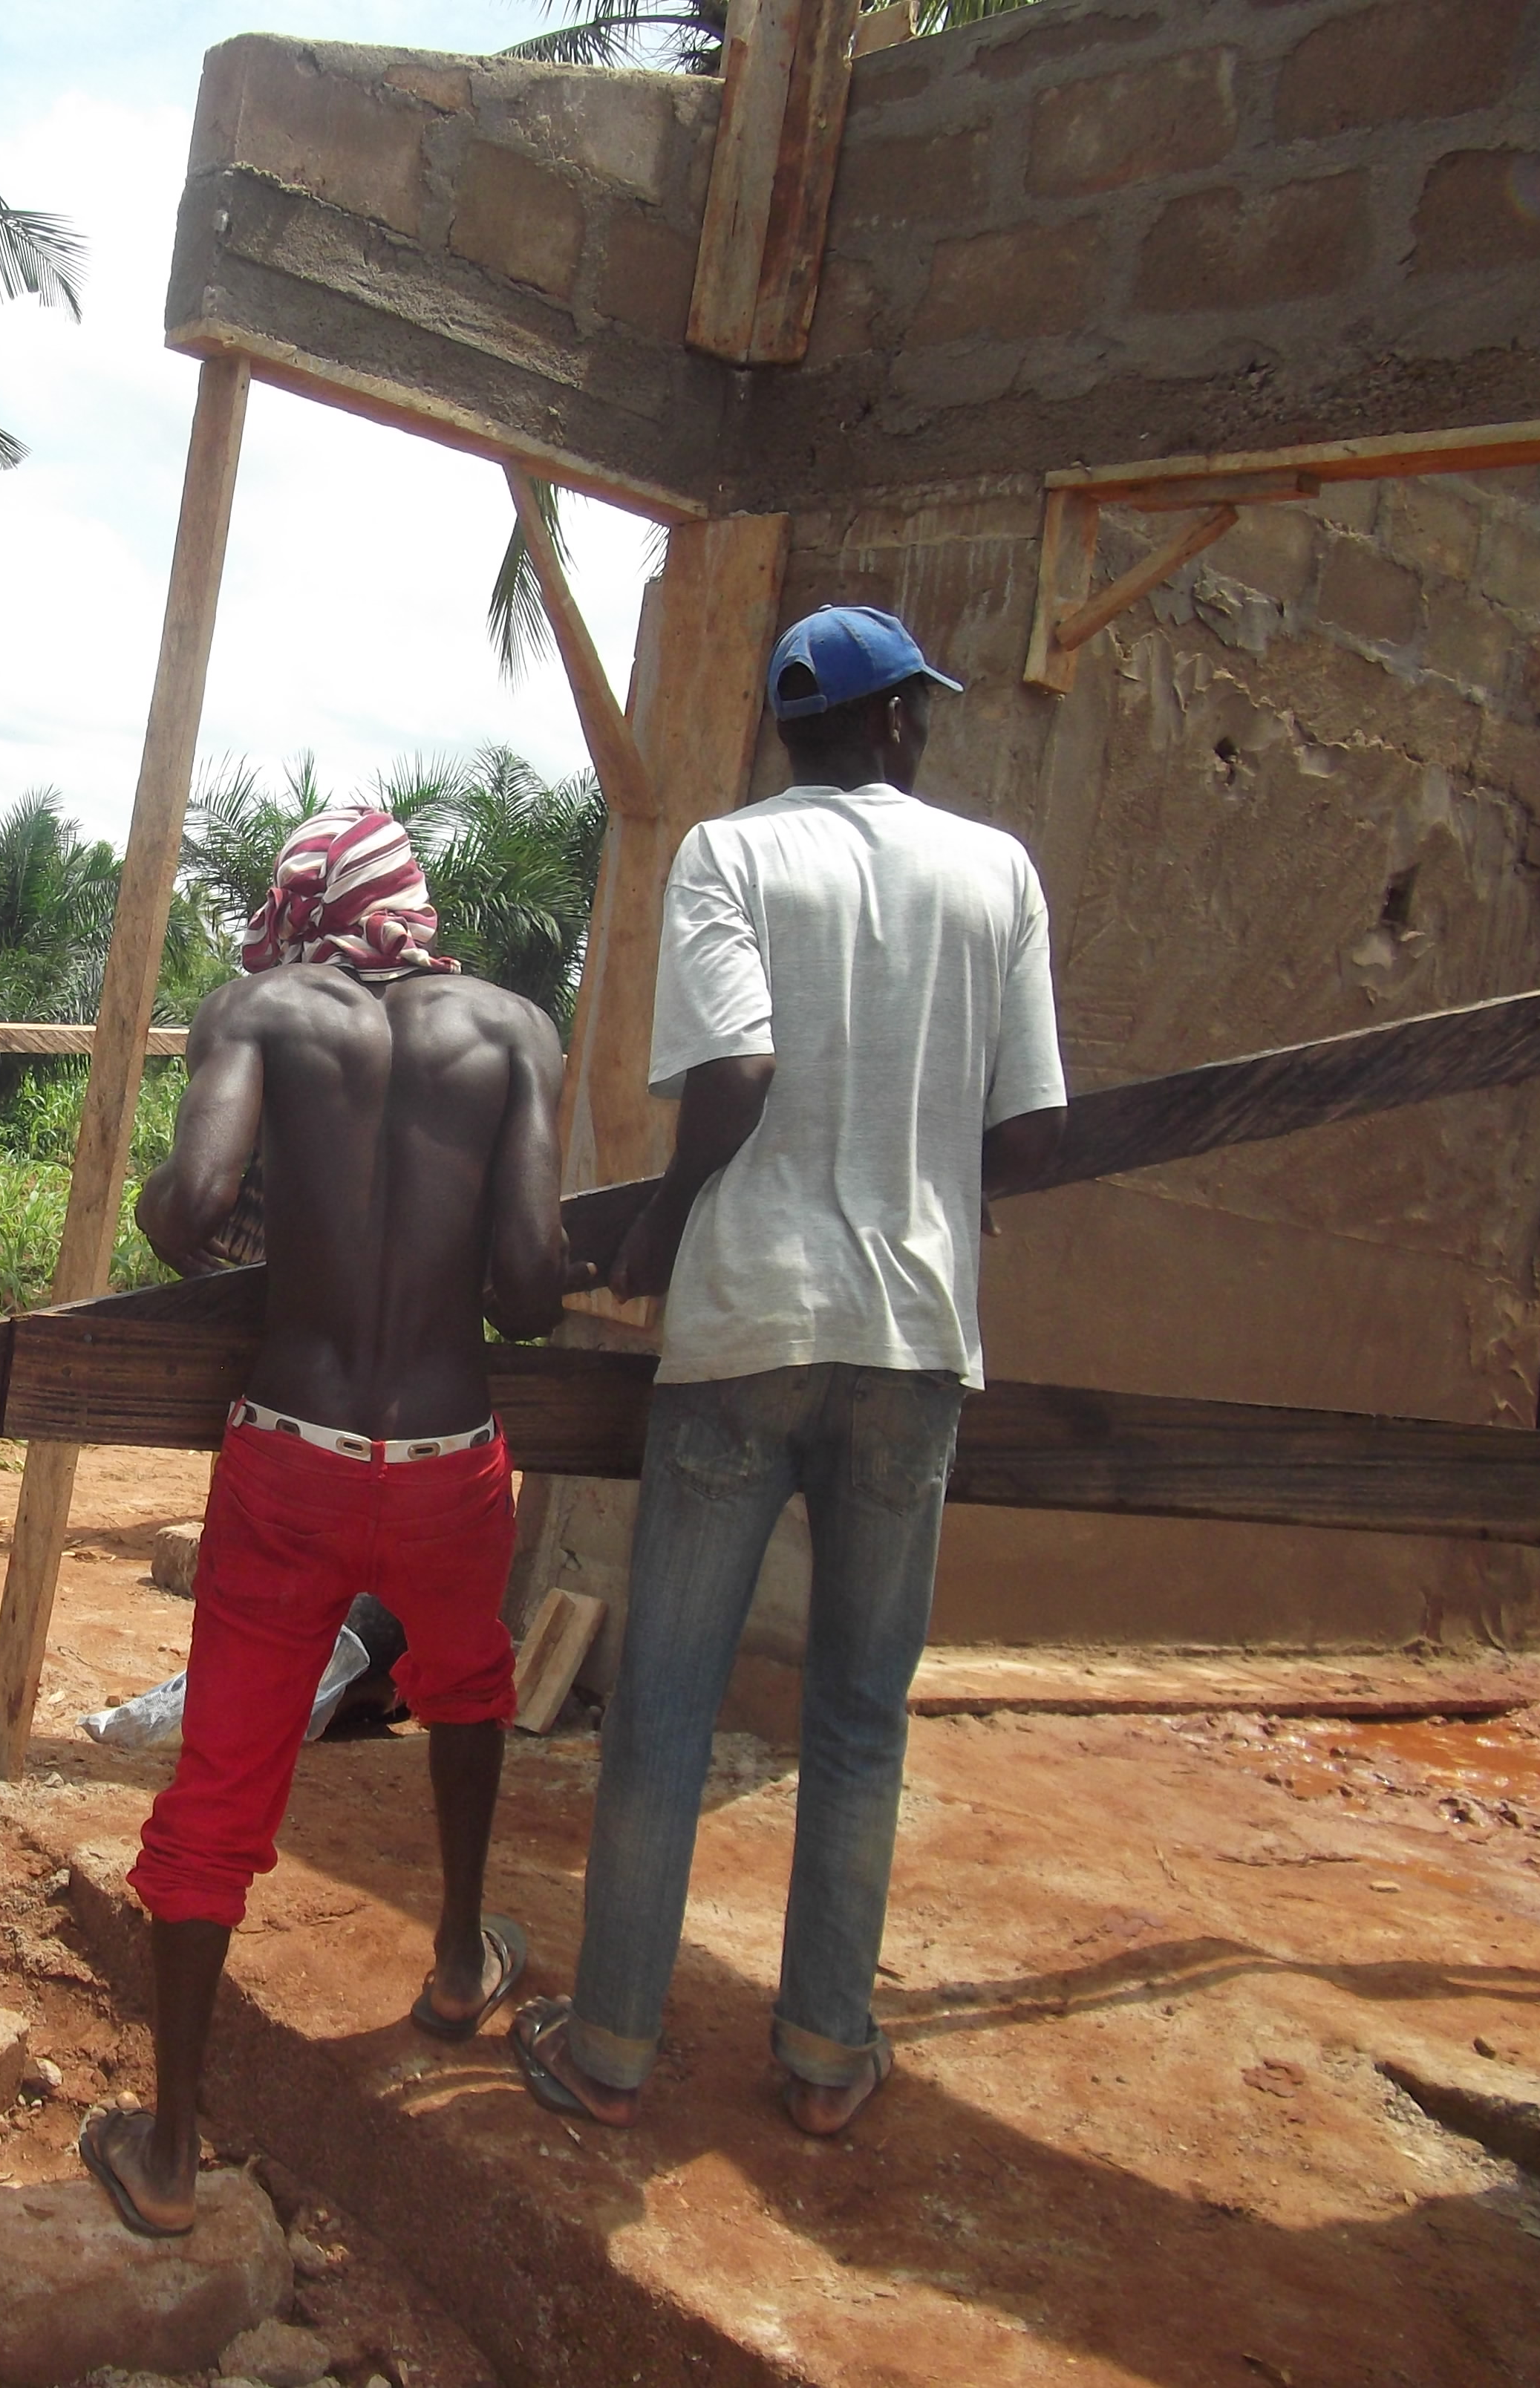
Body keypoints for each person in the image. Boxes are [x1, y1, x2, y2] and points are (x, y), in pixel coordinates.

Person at [512, 604, 1067, 2141]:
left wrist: (670, 1226)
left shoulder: (729, 854)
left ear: (786, 730)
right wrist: (919, 1179)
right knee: (858, 1718)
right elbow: (1030, 1134)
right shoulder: (994, 871)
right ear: (895, 722)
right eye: (922, 714)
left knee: (665, 1708)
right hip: (910, 1343)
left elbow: (737, 1071)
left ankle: (611, 2046)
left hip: (747, 1325)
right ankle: (824, 2053)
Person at [81, 804, 575, 2238]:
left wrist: (284, 1237)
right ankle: (459, 1965)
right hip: (448, 1457)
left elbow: (188, 1209)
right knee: (467, 1681)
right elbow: (534, 1288)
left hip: (291, 1451)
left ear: (303, 908)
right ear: (411, 905)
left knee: (222, 1785)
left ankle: (170, 2156)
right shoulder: (514, 1029)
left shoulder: (260, 1008)